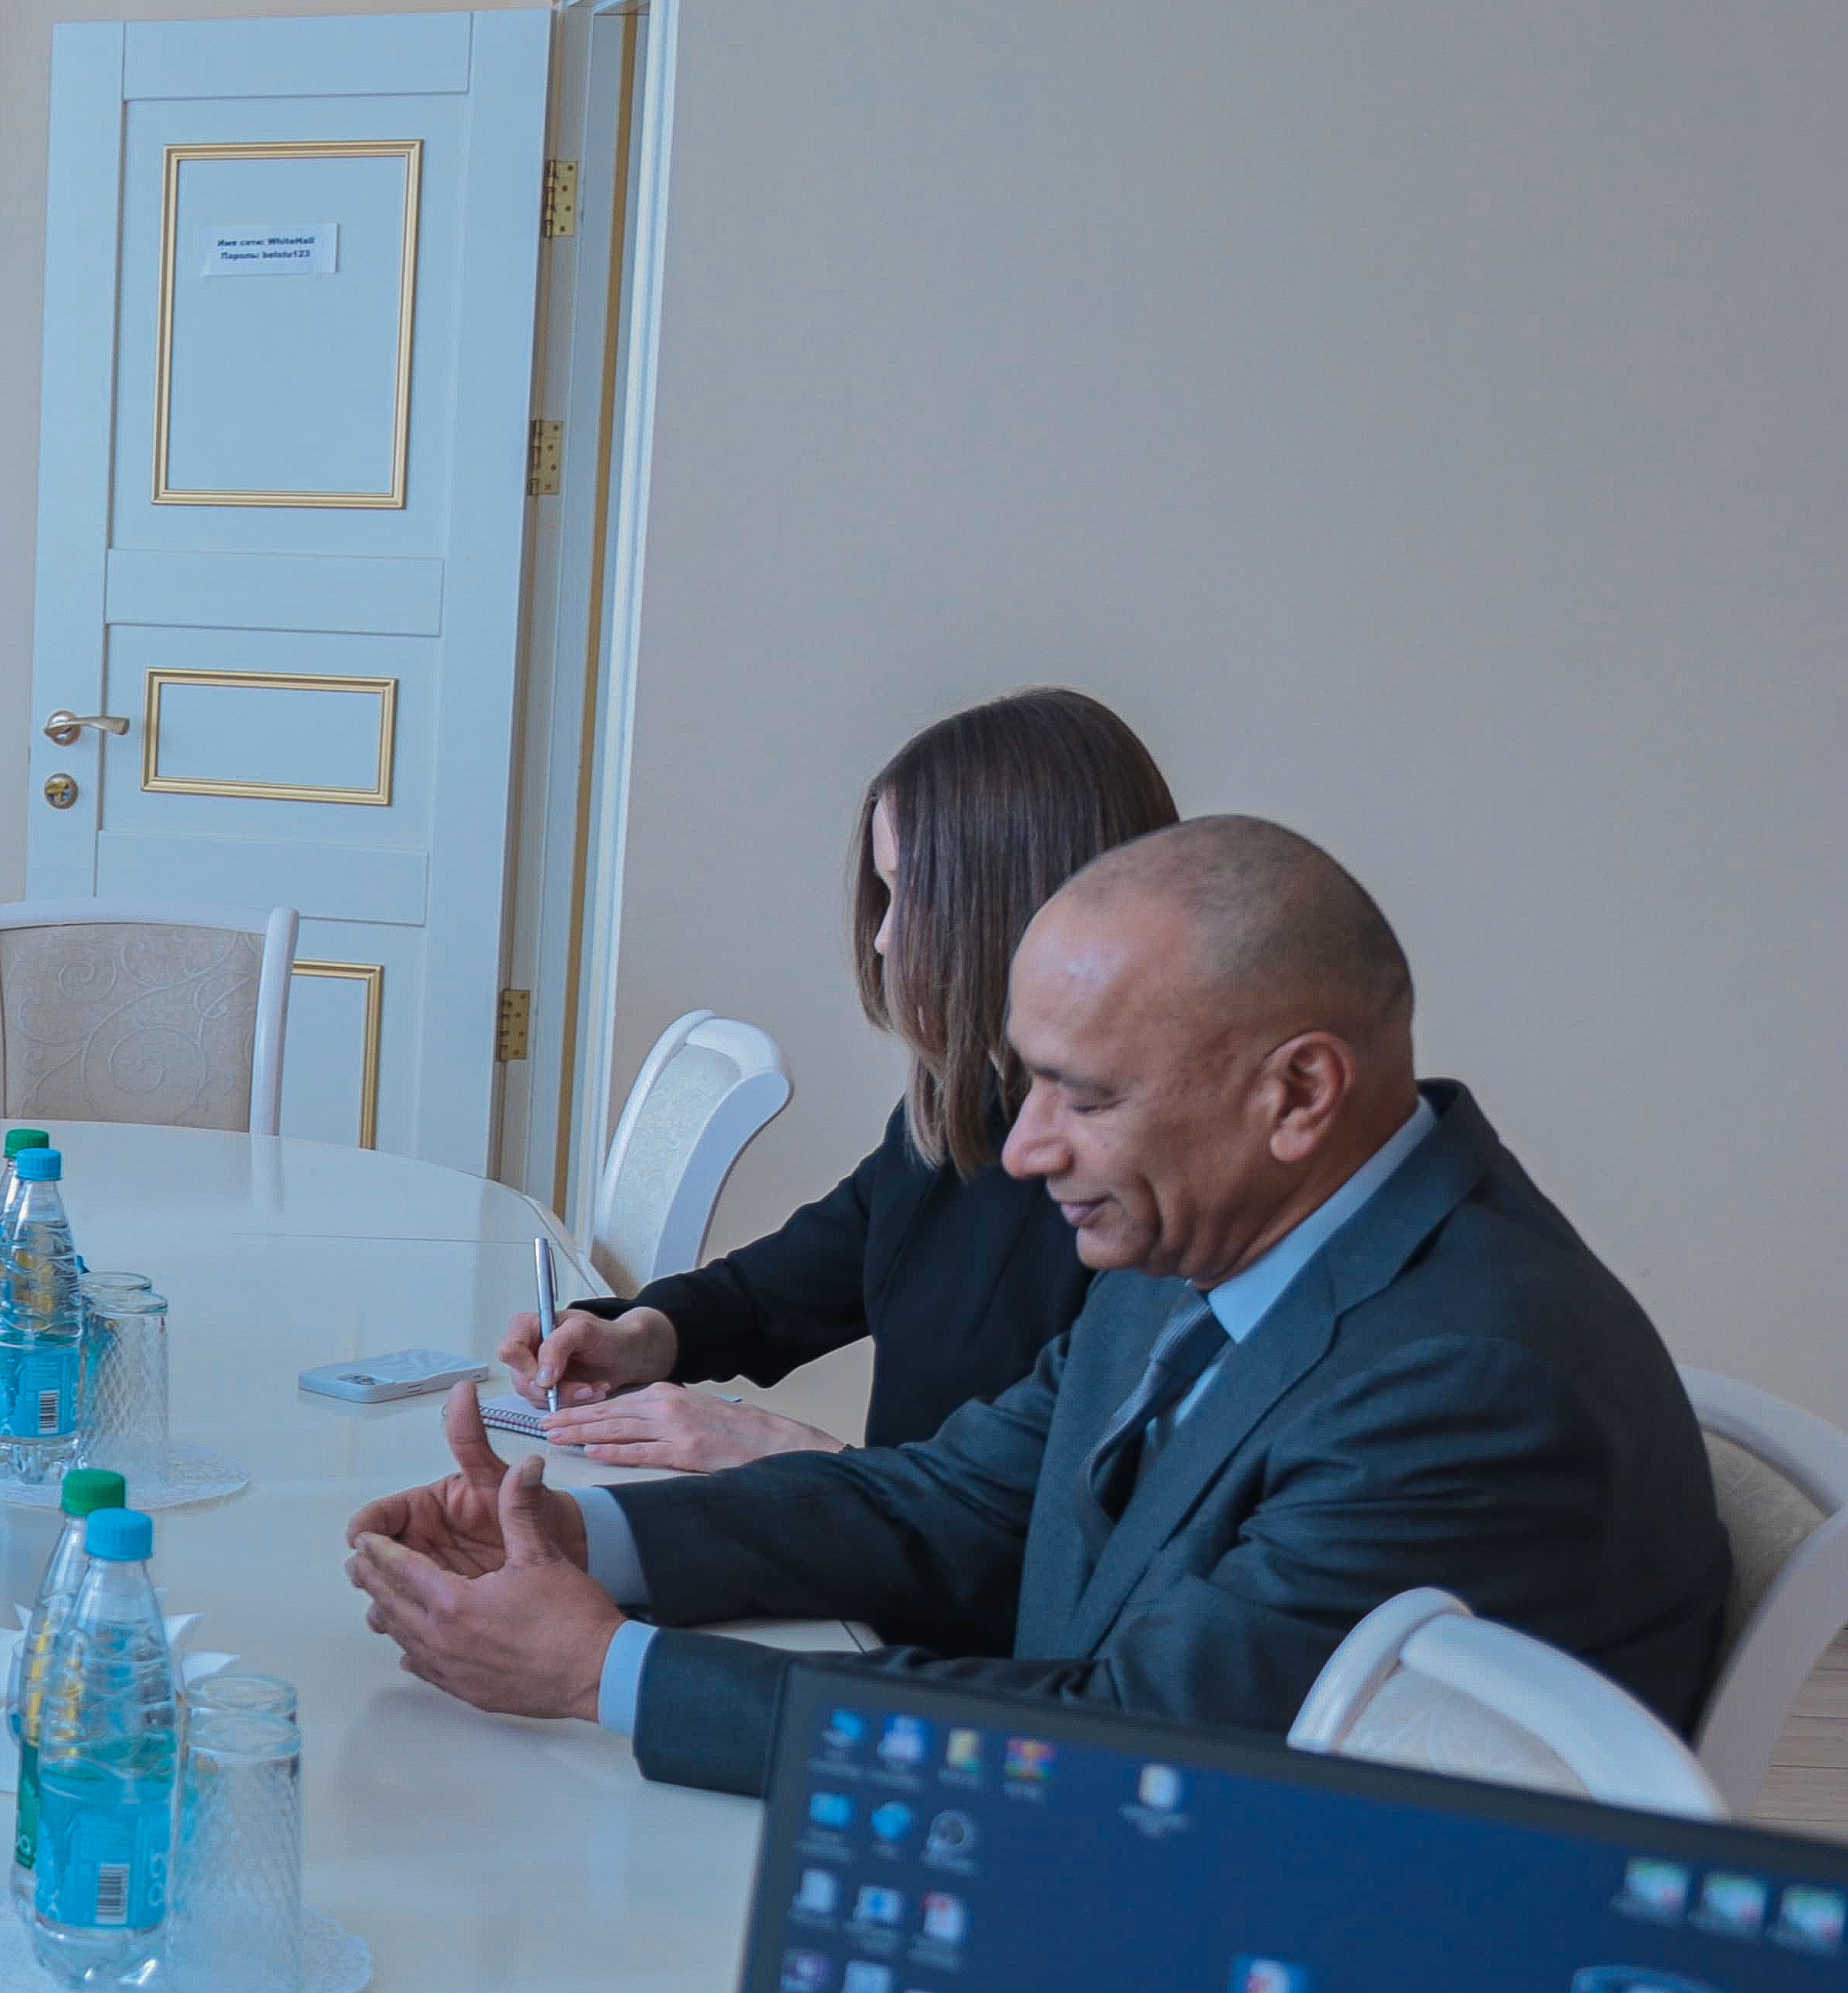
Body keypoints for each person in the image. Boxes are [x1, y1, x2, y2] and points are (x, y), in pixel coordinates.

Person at [348, 817, 1730, 1797]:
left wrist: (607, 1672)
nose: (1021, 1150)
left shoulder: (1469, 1382)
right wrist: (586, 1539)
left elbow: (1138, 1752)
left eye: (1086, 1095)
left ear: (1300, 1093)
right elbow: (955, 1501)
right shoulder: (1225, 1237)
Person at [507, 689, 1177, 1477]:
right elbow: (784, 1286)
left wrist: (798, 1456)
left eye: (909, 892)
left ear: (1015, 904)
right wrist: (644, 1335)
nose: (885, 938)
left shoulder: (1159, 1200)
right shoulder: (965, 1107)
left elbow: (1063, 1514)